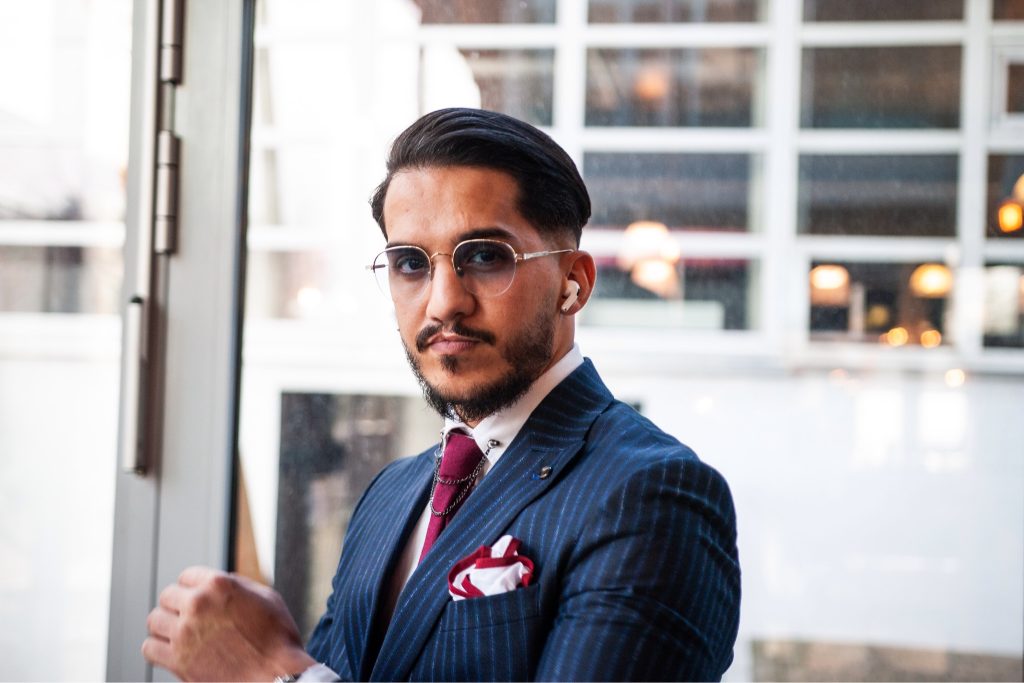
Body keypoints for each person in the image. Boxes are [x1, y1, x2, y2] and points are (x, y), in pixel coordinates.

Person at [143, 107, 741, 682]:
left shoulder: (652, 493)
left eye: (483, 256)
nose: (443, 303)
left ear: (574, 282)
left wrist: (272, 673)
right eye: (410, 263)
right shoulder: (390, 495)